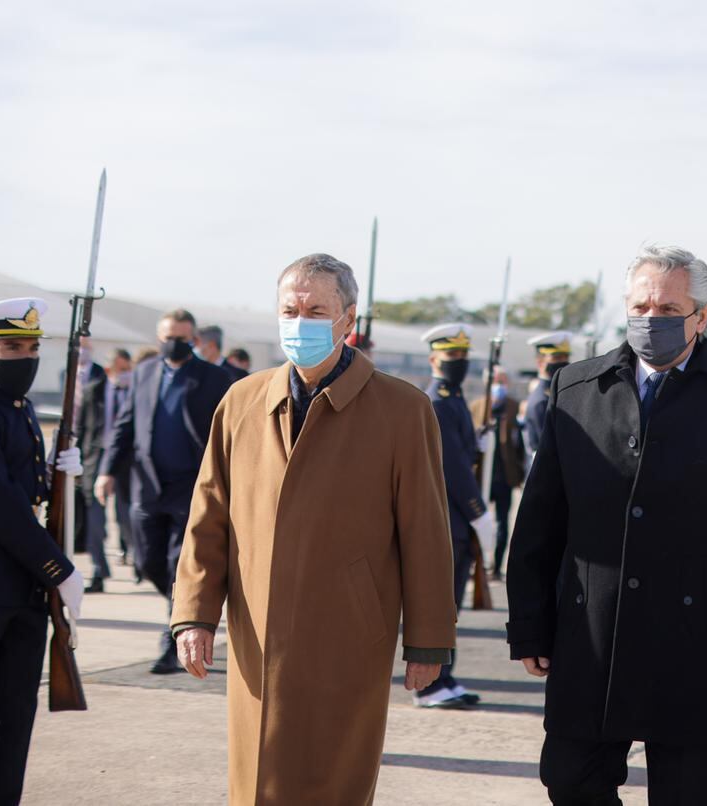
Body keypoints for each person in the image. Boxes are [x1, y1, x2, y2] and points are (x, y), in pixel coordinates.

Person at [506, 246, 707, 806]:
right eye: (640, 304)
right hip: (592, 634)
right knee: (570, 780)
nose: (652, 317)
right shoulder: (577, 387)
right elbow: (541, 520)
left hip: (696, 639)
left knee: (686, 794)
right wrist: (529, 621)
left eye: (669, 307)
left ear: (702, 316)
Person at [170, 253, 458, 804]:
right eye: (289, 309)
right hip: (257, 632)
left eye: (315, 310)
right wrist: (194, 614)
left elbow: (426, 533)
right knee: (256, 777)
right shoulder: (241, 402)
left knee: (334, 777)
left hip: (349, 636)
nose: (299, 322)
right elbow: (207, 518)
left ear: (348, 319)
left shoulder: (402, 410)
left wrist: (429, 640)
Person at [0, 298, 85, 805]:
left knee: (15, 713)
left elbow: (34, 496)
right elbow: (0, 506)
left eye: (33, 347)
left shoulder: (23, 410)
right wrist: (59, 569)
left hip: (23, 584)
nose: (26, 358)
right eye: (12, 346)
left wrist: (65, 476)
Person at [95, 309, 232, 673]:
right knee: (146, 561)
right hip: (148, 486)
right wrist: (106, 471)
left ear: (195, 340)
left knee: (177, 564)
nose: (175, 343)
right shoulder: (144, 373)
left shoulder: (214, 378)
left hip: (191, 488)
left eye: (183, 337)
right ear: (159, 337)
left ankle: (171, 642)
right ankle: (179, 607)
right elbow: (125, 426)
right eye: (169, 336)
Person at [417, 322, 495, 709]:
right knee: (441, 606)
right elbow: (452, 469)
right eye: (452, 356)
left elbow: (462, 456)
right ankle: (430, 685)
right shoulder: (436, 402)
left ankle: (443, 677)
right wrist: (479, 513)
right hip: (447, 518)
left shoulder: (453, 398)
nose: (459, 362)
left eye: (463, 356)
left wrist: (477, 445)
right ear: (434, 359)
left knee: (451, 608)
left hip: (457, 521)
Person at [469, 366, 525, 581]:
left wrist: (519, 473)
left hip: (506, 475)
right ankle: (477, 564)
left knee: (503, 522)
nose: (498, 385)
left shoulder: (513, 406)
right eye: (495, 380)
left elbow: (519, 443)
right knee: (478, 520)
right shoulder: (477, 406)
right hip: (482, 475)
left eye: (502, 380)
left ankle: (496, 566)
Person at [72, 337, 111, 592]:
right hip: (94, 458)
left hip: (128, 460)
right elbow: (82, 426)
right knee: (94, 517)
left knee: (131, 518)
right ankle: (99, 569)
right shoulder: (90, 389)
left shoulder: (106, 381)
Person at [100, 348, 136, 571]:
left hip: (129, 461)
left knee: (128, 511)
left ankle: (134, 553)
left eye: (128, 369)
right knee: (106, 515)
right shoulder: (96, 390)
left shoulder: (135, 390)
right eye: (121, 369)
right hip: (101, 457)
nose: (125, 374)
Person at [523, 331, 572, 461]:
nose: (563, 362)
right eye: (556, 358)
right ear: (540, 362)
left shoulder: (561, 392)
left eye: (565, 357)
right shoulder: (541, 400)